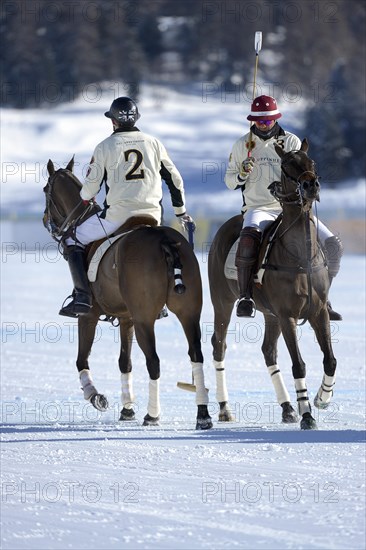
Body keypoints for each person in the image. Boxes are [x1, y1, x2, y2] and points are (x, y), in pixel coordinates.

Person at [59, 96, 195, 318]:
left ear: (113, 122)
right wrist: (180, 212)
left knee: (71, 238)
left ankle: (82, 297)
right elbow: (175, 180)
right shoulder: (154, 143)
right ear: (136, 119)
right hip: (152, 215)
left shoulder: (104, 146)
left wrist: (85, 196)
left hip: (117, 216)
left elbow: (90, 189)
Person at [225, 95, 343, 319]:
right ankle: (246, 296)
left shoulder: (291, 142)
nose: (264, 125)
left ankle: (323, 298)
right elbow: (229, 181)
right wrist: (241, 172)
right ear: (253, 121)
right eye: (259, 122)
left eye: (268, 121)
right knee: (249, 241)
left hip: (292, 210)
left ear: (275, 119)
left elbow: (303, 178)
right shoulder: (243, 144)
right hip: (258, 208)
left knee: (333, 245)